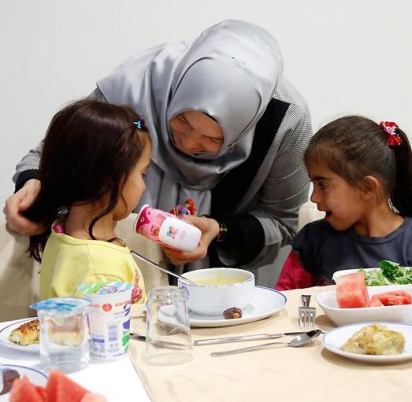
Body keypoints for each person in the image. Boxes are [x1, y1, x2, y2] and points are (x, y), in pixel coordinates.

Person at [4, 20, 312, 282]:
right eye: (180, 121)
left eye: (212, 139)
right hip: (111, 267)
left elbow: (283, 220)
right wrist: (33, 185)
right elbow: (54, 154)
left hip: (214, 287)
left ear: (244, 128)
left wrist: (219, 230)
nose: (188, 145)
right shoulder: (138, 87)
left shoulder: (285, 122)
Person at [275, 116, 412, 291]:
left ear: (367, 187)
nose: (314, 197)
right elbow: (287, 303)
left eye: (322, 185)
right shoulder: (311, 242)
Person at [23, 99, 150, 303]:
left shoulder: (61, 231)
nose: (144, 186)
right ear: (110, 180)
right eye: (143, 173)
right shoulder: (99, 269)